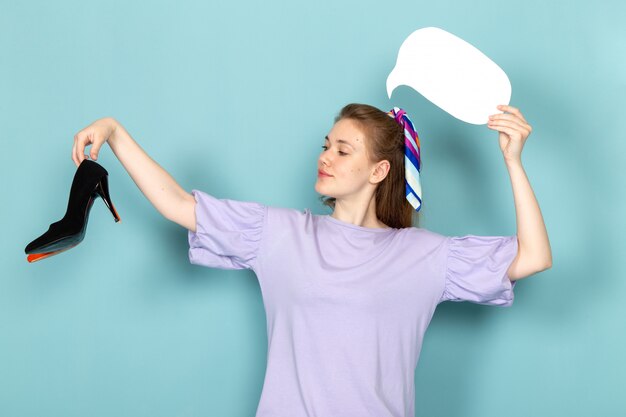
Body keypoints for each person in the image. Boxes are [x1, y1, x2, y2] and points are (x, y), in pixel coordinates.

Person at [72, 103, 552, 417]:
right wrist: (115, 132)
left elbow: (533, 256)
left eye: (343, 150)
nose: (326, 156)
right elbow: (178, 204)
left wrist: (513, 161)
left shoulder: (424, 256)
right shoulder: (280, 235)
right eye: (326, 145)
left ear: (379, 171)